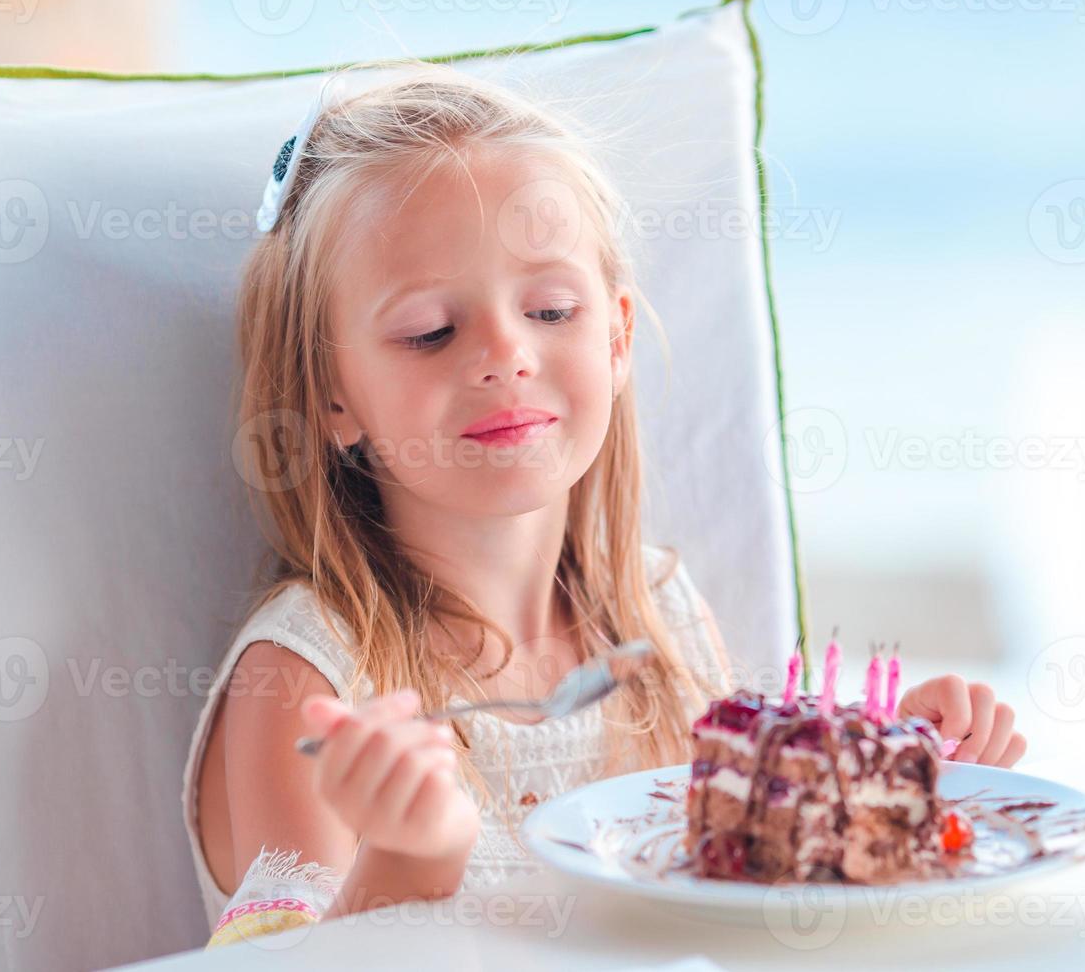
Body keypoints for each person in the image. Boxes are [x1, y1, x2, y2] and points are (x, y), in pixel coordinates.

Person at [182, 62, 1027, 949]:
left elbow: (746, 899)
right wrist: (404, 862)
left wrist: (879, 783)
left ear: (617, 337)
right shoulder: (309, 683)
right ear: (330, 395)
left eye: (550, 309)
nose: (505, 353)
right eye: (432, 330)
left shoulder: (657, 625)